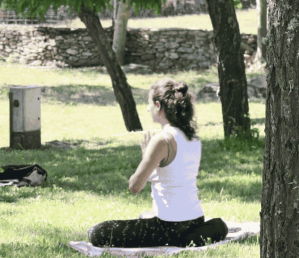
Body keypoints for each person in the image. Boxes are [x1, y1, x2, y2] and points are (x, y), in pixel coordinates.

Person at [87, 78, 228, 248]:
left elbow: (135, 187)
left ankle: (178, 239)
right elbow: (174, 174)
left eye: (150, 104)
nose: (148, 109)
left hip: (168, 226)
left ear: (159, 106)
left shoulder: (162, 140)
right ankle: (197, 234)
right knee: (145, 217)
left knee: (96, 232)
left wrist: (146, 157)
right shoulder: (193, 137)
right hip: (195, 219)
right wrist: (149, 159)